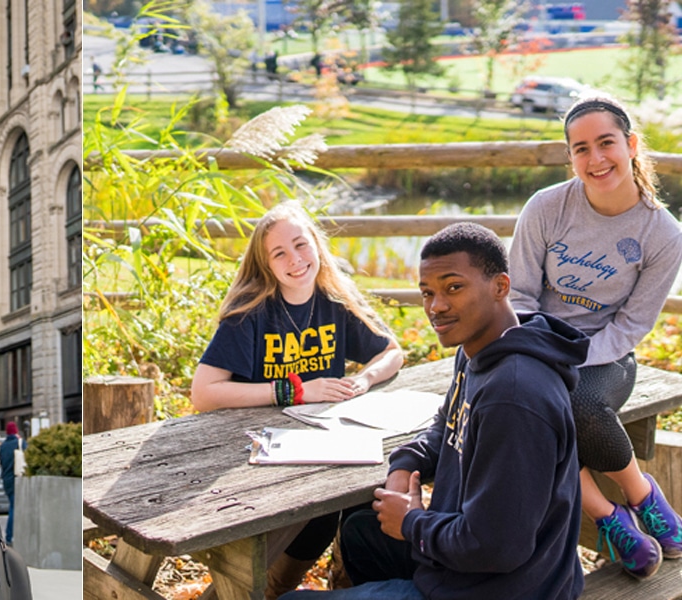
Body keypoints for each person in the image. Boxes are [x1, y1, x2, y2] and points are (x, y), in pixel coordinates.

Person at [285, 222, 589, 600]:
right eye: (427, 292)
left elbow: (498, 548)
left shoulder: (512, 397)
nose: (436, 306)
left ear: (500, 286)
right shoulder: (478, 349)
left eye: (454, 288)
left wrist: (412, 523)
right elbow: (444, 427)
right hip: (475, 568)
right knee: (362, 530)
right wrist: (406, 464)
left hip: (506, 588)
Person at [190, 201, 404, 597]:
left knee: (363, 499)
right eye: (279, 253)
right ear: (265, 264)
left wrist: (363, 379)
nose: (295, 260)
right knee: (315, 517)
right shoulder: (251, 313)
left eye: (301, 245)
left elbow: (392, 351)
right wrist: (294, 392)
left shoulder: (332, 302)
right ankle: (271, 589)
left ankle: (346, 584)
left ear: (318, 247)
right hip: (255, 454)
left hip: (321, 444)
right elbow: (203, 392)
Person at [508, 95, 682, 580]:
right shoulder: (545, 208)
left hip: (606, 355)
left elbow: (631, 326)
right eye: (581, 149)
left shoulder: (662, 234)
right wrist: (542, 353)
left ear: (630, 145)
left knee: (578, 405)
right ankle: (611, 520)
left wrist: (572, 359)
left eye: (606, 143)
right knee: (525, 411)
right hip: (537, 345)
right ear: (571, 158)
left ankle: (642, 497)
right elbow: (519, 296)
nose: (596, 158)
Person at [0, 421, 27, 544]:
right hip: (18, 478)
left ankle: (11, 535)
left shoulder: (3, 446)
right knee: (15, 507)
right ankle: (10, 535)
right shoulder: (19, 443)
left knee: (13, 505)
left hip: (7, 479)